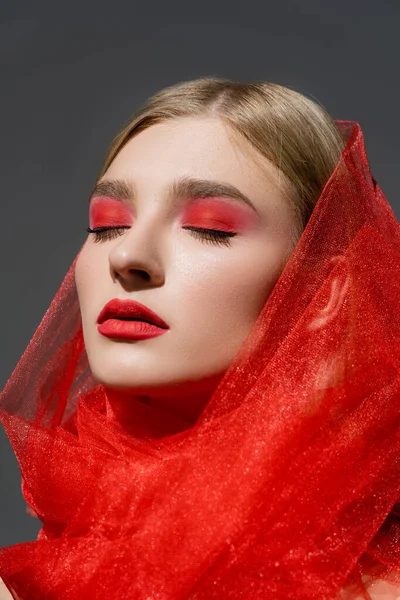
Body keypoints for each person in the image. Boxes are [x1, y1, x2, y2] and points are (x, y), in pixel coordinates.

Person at [0, 77, 400, 599]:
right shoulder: (36, 576)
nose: (127, 257)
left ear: (325, 291)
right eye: (106, 225)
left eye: (210, 227)